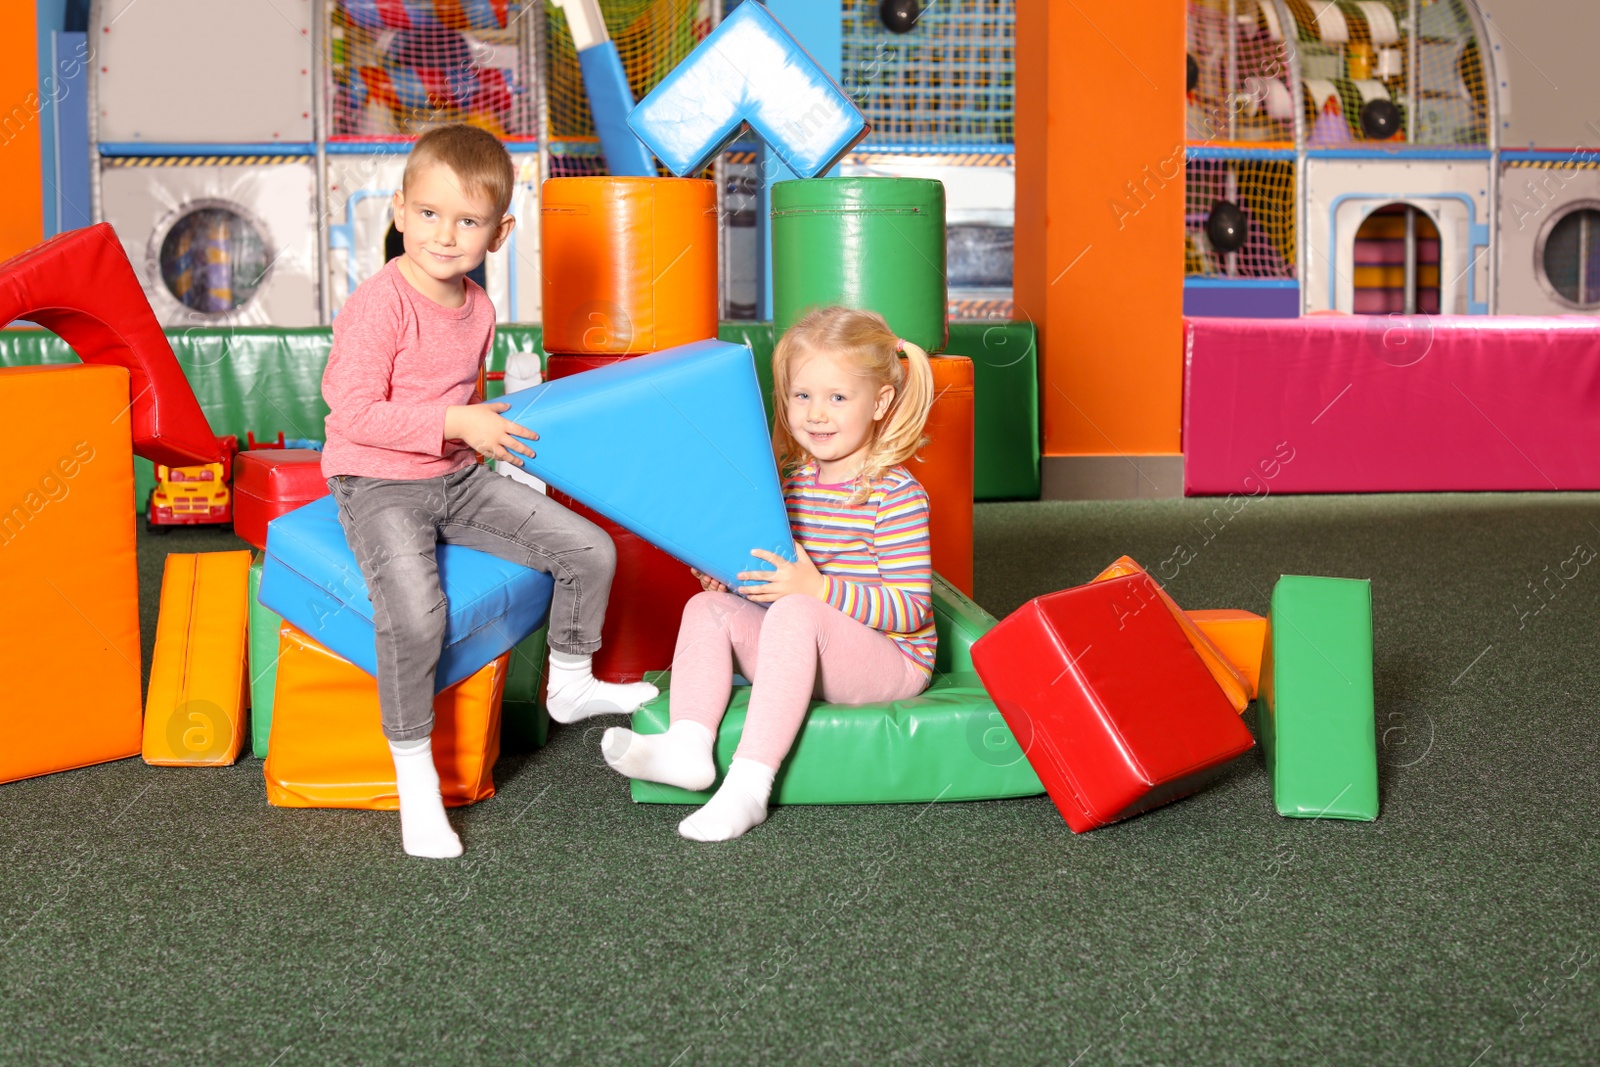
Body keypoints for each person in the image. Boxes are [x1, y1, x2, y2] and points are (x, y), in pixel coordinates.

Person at [321, 124, 656, 859]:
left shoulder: (476, 307)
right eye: (431, 214)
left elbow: (467, 413)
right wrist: (456, 421)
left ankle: (570, 679)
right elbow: (353, 412)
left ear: (499, 233)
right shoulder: (381, 305)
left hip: (455, 477)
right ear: (401, 211)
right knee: (416, 617)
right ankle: (414, 779)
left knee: (589, 548)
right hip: (376, 479)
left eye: (467, 221)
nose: (446, 235)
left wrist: (481, 439)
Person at [601, 307, 938, 841]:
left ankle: (749, 785)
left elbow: (911, 608)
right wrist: (734, 582)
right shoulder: (791, 485)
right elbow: (778, 585)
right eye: (802, 396)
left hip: (890, 659)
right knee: (706, 608)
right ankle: (688, 748)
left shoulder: (894, 496)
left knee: (801, 610)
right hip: (812, 640)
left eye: (837, 397)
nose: (816, 414)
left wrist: (816, 589)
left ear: (880, 403)